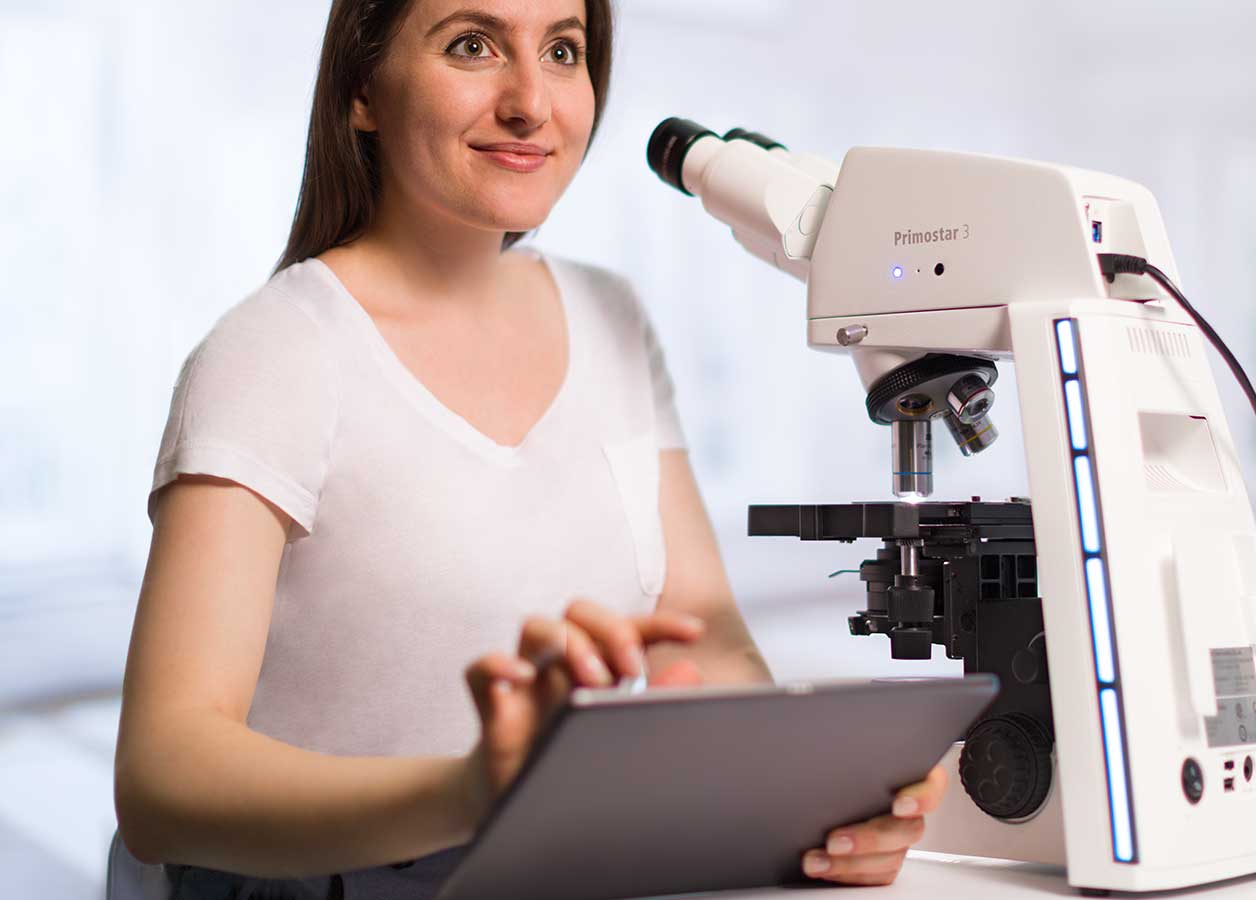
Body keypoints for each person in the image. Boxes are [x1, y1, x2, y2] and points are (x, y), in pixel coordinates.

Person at [105, 1, 948, 897]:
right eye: (472, 46)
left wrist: (803, 796)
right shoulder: (275, 351)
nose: (531, 103)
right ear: (362, 91)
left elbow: (698, 637)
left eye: (563, 50)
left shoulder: (609, 314)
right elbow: (162, 782)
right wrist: (475, 793)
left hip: (556, 863)